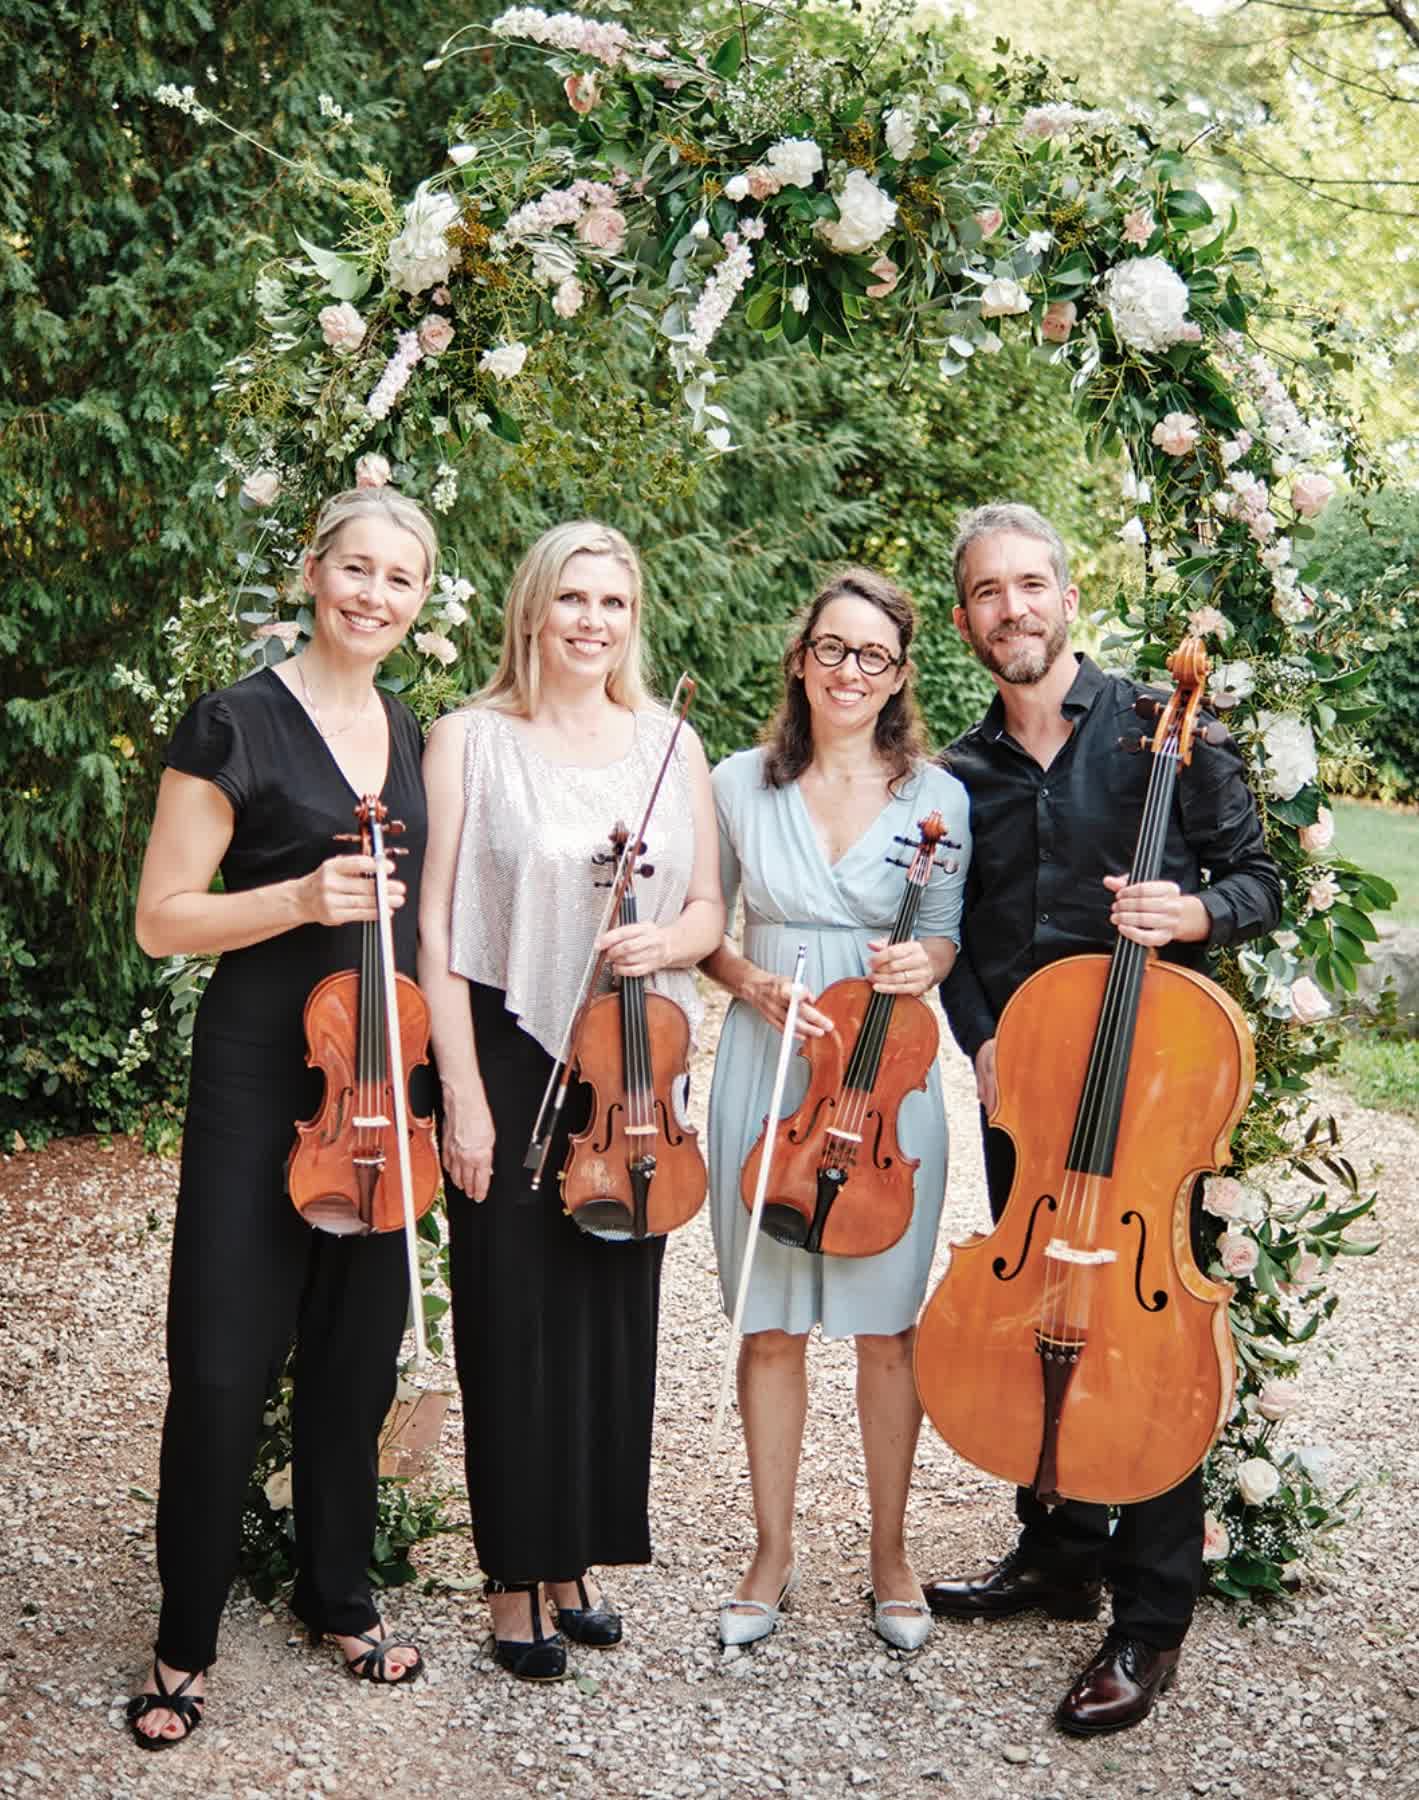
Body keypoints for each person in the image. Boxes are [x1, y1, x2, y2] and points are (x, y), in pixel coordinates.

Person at [924, 502, 1282, 1733]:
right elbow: (952, 934)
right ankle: (1061, 1547)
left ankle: (1150, 1612)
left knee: (1147, 1324)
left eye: (1032, 585)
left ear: (1067, 597)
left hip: (1146, 1090)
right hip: (1023, 1086)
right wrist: (978, 1042)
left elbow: (1258, 880)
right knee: (1038, 1306)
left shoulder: (1157, 728)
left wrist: (1187, 917)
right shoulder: (960, 772)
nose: (1012, 609)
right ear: (966, 615)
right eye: (986, 592)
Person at [128, 487, 439, 1748]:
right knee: (220, 1359)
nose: (373, 594)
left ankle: (338, 1592)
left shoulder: (409, 727)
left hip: (376, 1080)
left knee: (356, 1354)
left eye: (399, 579)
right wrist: (304, 896)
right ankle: (182, 1639)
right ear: (315, 573)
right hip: (264, 1073)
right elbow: (162, 919)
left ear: (421, 605)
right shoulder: (235, 722)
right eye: (355, 568)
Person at [419, 520, 723, 1682]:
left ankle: (571, 1556)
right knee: (508, 1312)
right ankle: (511, 1576)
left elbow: (706, 909)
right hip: (505, 1041)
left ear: (631, 620)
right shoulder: (470, 740)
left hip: (628, 1067)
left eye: (615, 603)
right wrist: (463, 1094)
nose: (594, 622)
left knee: (607, 1312)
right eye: (574, 599)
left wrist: (666, 938)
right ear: (533, 610)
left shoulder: (670, 741)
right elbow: (440, 930)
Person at [701, 569, 971, 1652]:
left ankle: (891, 1551)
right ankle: (771, 1552)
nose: (848, 671)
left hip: (885, 1075)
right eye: (831, 649)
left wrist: (923, 955)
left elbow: (945, 938)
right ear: (800, 659)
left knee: (886, 1329)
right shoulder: (732, 783)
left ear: (900, 673)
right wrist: (750, 981)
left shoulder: (938, 800)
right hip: (768, 1073)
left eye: (872, 655)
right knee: (769, 1326)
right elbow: (700, 925)